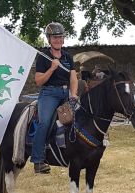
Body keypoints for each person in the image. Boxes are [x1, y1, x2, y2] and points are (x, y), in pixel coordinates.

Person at [30, 22, 78, 174]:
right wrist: (52, 68)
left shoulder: (68, 57)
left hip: (65, 94)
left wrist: (74, 94)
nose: (58, 40)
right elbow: (38, 81)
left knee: (81, 119)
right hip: (49, 94)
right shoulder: (44, 57)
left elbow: (73, 78)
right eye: (54, 37)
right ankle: (38, 161)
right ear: (49, 39)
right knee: (44, 123)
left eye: (60, 37)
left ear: (63, 39)